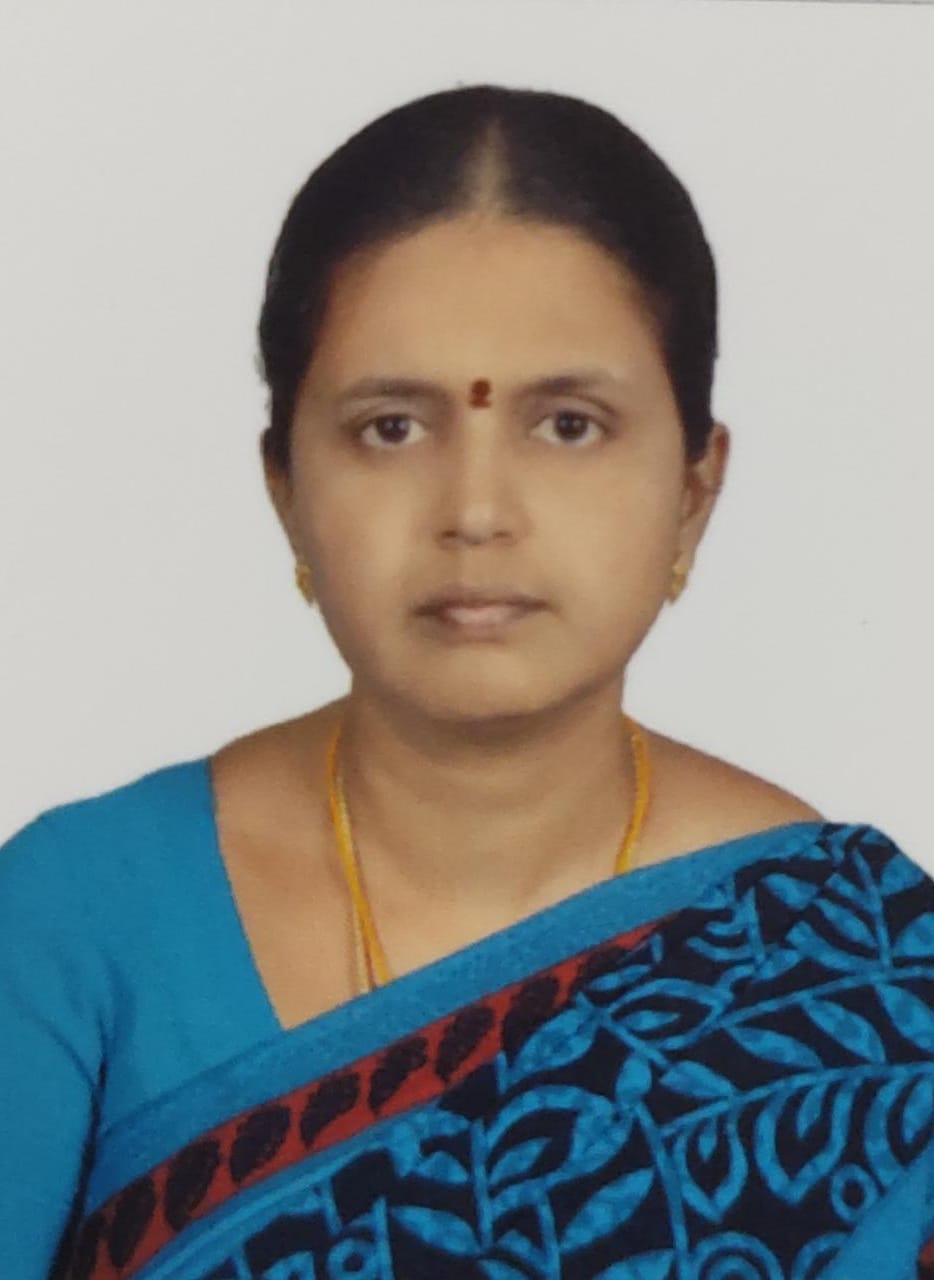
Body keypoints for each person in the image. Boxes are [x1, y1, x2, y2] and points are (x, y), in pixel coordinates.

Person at [2, 82, 932, 1280]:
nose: (477, 510)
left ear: (694, 488)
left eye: (568, 424)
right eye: (391, 426)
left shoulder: (858, 975)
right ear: (285, 486)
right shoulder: (74, 919)